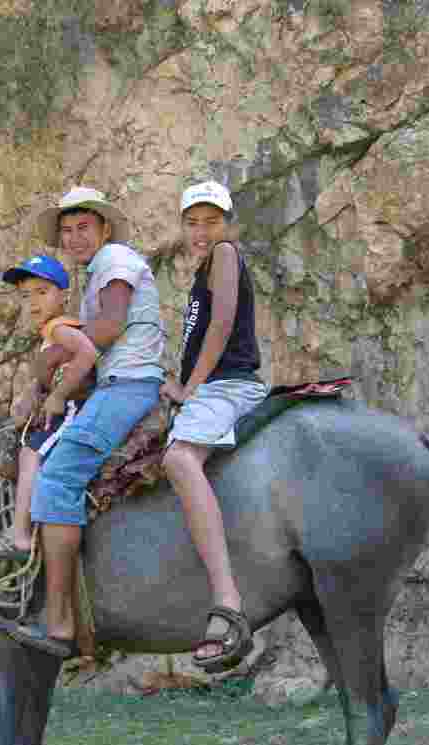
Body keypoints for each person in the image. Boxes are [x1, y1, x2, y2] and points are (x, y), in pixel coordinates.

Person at [0, 187, 165, 659]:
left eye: (83, 227)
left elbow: (108, 330)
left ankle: (60, 623)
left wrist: (49, 361)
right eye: (66, 231)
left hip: (128, 384)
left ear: (104, 229)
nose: (73, 238)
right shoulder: (98, 274)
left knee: (59, 475)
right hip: (119, 382)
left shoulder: (115, 260)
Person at [159, 180, 268, 673]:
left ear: (229, 225)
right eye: (193, 222)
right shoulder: (204, 268)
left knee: (180, 458)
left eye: (212, 221)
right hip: (214, 384)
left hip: (225, 384)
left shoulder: (225, 254)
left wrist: (189, 387)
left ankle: (227, 599)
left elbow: (223, 324)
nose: (202, 232)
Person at [0, 253, 98, 562]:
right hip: (65, 404)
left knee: (32, 454)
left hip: (74, 407)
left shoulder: (59, 328)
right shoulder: (51, 331)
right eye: (25, 295)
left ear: (64, 295)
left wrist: (59, 394)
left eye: (42, 292)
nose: (33, 302)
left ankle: (20, 535)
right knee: (26, 448)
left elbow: (88, 353)